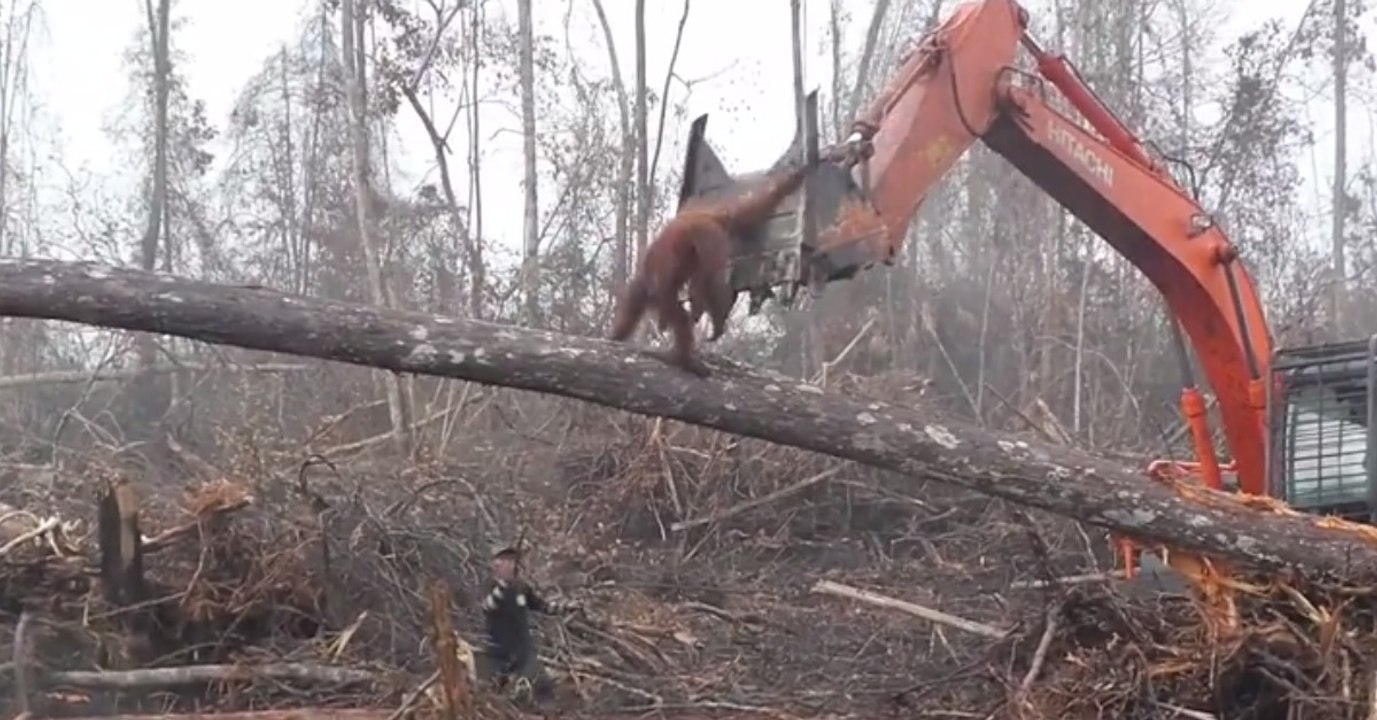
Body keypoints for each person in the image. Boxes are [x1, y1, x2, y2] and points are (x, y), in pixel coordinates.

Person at [477, 545, 576, 704]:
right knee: (494, 692)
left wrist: (564, 608)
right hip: (498, 650)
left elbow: (540, 606)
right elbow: (487, 607)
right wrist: (503, 586)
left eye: (512, 560)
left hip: (523, 648)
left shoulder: (521, 587)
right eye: (505, 560)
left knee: (541, 685)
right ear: (496, 564)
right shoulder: (489, 586)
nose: (510, 565)